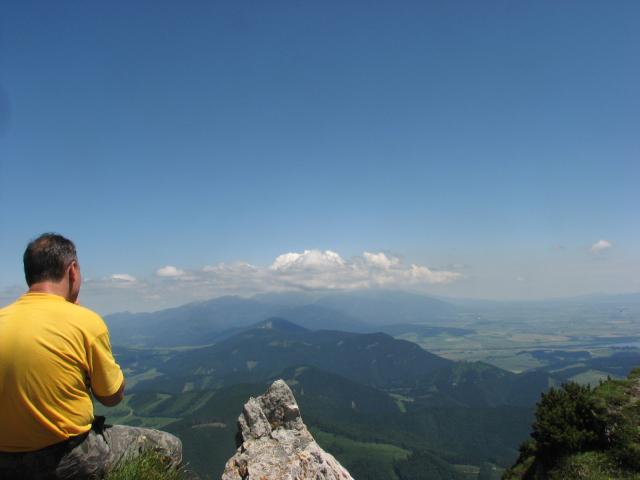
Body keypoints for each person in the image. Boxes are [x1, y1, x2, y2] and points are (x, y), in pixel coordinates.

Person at [0, 233, 182, 479]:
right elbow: (112, 397)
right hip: (68, 455)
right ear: (72, 270)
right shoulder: (84, 321)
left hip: (5, 462)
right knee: (169, 446)